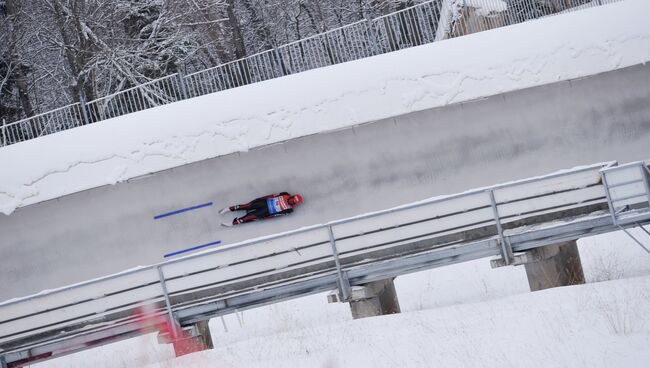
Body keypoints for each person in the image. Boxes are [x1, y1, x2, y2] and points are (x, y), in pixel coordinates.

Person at [220, 192, 303, 226]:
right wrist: (259, 199)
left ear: (295, 204)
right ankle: (229, 209)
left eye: (293, 202)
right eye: (292, 199)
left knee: (250, 217)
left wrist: (265, 217)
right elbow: (271, 196)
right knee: (247, 206)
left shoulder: (289, 209)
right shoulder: (285, 194)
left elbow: (277, 215)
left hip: (266, 211)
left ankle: (233, 223)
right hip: (264, 203)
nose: (291, 201)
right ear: (291, 196)